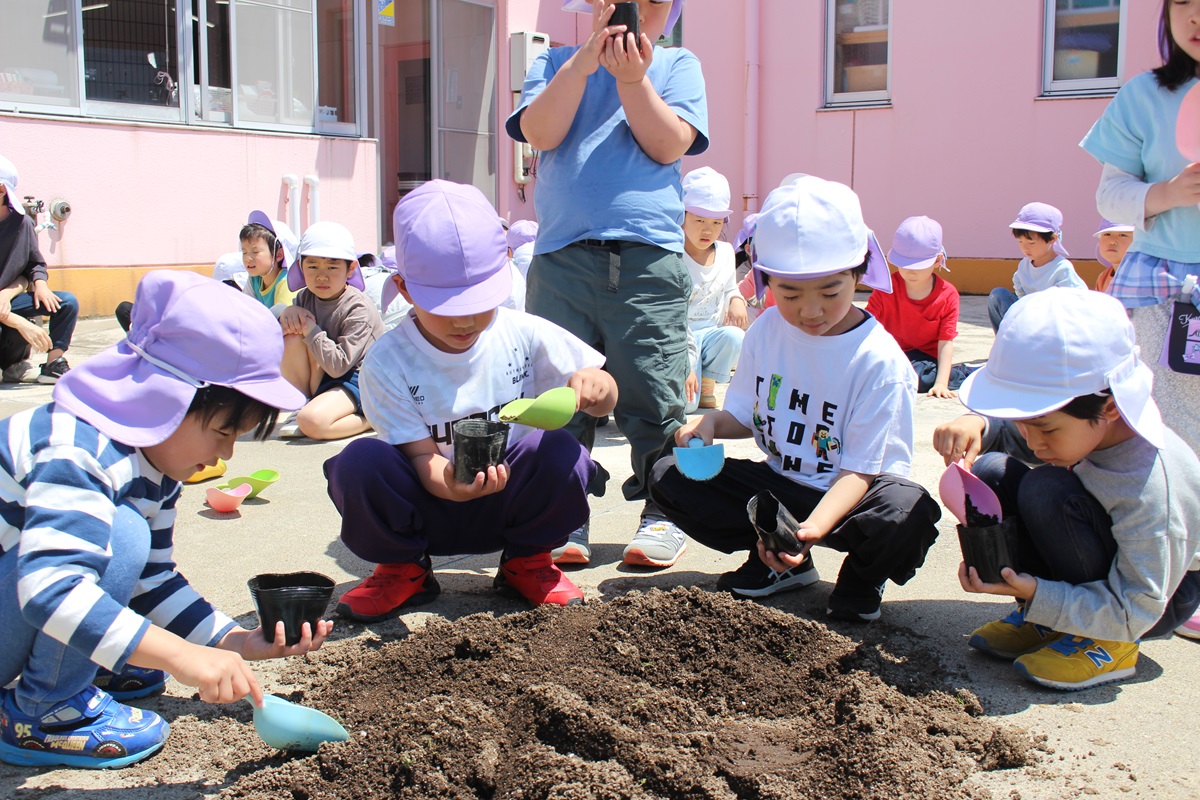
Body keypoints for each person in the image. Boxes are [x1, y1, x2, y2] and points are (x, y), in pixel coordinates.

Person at [0, 270, 327, 769]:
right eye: (223, 430)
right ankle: (44, 711)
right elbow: (52, 588)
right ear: (166, 395)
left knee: (126, 539)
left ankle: (82, 665)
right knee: (122, 531)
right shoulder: (76, 448)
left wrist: (231, 641)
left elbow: (151, 579)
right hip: (26, 600)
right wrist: (181, 657)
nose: (227, 451)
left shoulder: (153, 458)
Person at [647, 176, 941, 623]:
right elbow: (745, 416)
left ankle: (862, 577)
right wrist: (708, 425)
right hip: (781, 486)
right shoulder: (765, 331)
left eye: (830, 292)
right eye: (789, 293)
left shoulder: (878, 361)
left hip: (852, 496)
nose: (810, 311)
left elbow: (860, 471)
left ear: (858, 275)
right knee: (670, 473)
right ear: (766, 281)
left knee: (906, 511)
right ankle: (779, 563)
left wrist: (811, 532)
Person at [323, 180, 617, 619]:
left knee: (563, 452)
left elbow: (606, 396)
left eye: (479, 302)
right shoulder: (389, 360)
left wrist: (597, 388)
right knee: (359, 462)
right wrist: (453, 484)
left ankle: (527, 559)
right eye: (446, 306)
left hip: (511, 498)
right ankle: (404, 568)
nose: (465, 320)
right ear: (404, 290)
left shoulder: (521, 332)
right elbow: (421, 457)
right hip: (430, 501)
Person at [507, 0, 707, 569]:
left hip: (647, 260)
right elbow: (540, 132)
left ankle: (664, 508)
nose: (636, 8)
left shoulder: (676, 65)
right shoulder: (554, 63)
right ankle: (561, 510)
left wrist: (633, 79)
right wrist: (585, 66)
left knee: (652, 393)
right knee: (559, 394)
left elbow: (668, 145)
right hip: (562, 258)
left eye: (652, 0)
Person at [933, 288, 1200, 690]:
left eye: (1044, 428)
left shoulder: (1151, 484)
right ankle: (1051, 621)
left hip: (1152, 598)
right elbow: (1026, 436)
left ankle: (1109, 643)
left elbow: (1140, 603)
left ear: (1109, 407)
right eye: (1024, 422)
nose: (1033, 441)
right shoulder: (1080, 425)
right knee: (991, 470)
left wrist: (1044, 593)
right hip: (1107, 566)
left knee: (1046, 489)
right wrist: (982, 426)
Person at [277, 221, 385, 440]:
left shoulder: (358, 307)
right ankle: (302, 405)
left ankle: (371, 420)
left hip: (361, 379)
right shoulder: (304, 298)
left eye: (332, 267)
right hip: (327, 374)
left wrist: (309, 328)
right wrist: (286, 314)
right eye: (313, 266)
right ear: (301, 267)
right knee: (292, 331)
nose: (322, 276)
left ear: (351, 268)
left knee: (312, 423)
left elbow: (339, 366)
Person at [867, 215, 974, 398]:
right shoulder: (886, 287)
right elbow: (866, 325)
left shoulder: (947, 295)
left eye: (918, 265)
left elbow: (946, 341)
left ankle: (963, 375)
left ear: (938, 260)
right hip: (892, 354)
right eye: (904, 263)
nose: (910, 271)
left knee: (919, 378)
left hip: (926, 361)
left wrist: (941, 383)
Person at [0, 153, 80, 384]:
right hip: (6, 308)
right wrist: (20, 322)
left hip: (8, 301)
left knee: (65, 302)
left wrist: (40, 285)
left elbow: (33, 263)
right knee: (13, 320)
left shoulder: (22, 223)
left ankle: (53, 364)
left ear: (2, 190)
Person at [680, 166, 747, 412]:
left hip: (709, 335)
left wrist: (736, 299)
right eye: (699, 220)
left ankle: (707, 381)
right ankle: (692, 381)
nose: (707, 229)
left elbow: (729, 288)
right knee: (687, 408)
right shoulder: (672, 254)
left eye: (716, 222)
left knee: (735, 337)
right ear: (682, 216)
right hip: (679, 339)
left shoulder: (727, 253)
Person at [987, 202, 1086, 332]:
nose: (1025, 247)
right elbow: (1019, 286)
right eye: (1020, 241)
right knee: (998, 295)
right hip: (1029, 317)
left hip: (1052, 323)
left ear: (1052, 239)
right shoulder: (1024, 264)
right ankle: (1005, 341)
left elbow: (1075, 304)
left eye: (1031, 242)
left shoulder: (1062, 269)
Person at [240, 211, 299, 314]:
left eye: (255, 251)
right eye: (244, 252)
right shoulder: (255, 279)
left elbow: (282, 321)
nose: (248, 258)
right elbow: (244, 310)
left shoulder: (286, 283)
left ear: (279, 254)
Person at [1091, 219, 1134, 294]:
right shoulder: (1103, 277)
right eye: (1107, 234)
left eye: (1123, 235)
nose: (1112, 241)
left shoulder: (1141, 276)